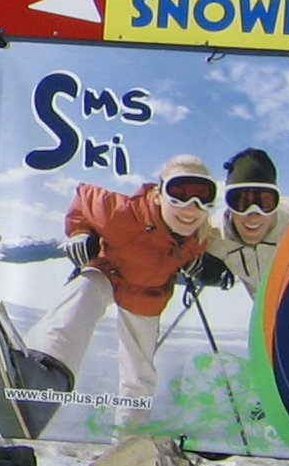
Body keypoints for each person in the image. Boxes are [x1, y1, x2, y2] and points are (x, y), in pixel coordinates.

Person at [23, 155, 215, 406]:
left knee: (139, 371)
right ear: (158, 193)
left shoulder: (198, 237)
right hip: (108, 271)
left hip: (147, 294)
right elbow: (84, 196)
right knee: (85, 291)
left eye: (203, 196)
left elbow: (210, 249)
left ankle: (130, 432)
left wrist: (203, 266)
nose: (191, 207)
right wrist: (80, 232)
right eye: (179, 192)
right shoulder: (122, 213)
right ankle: (42, 362)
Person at [203, 148, 289, 299]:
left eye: (264, 202)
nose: (253, 215)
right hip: (262, 313)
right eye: (241, 201)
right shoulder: (213, 235)